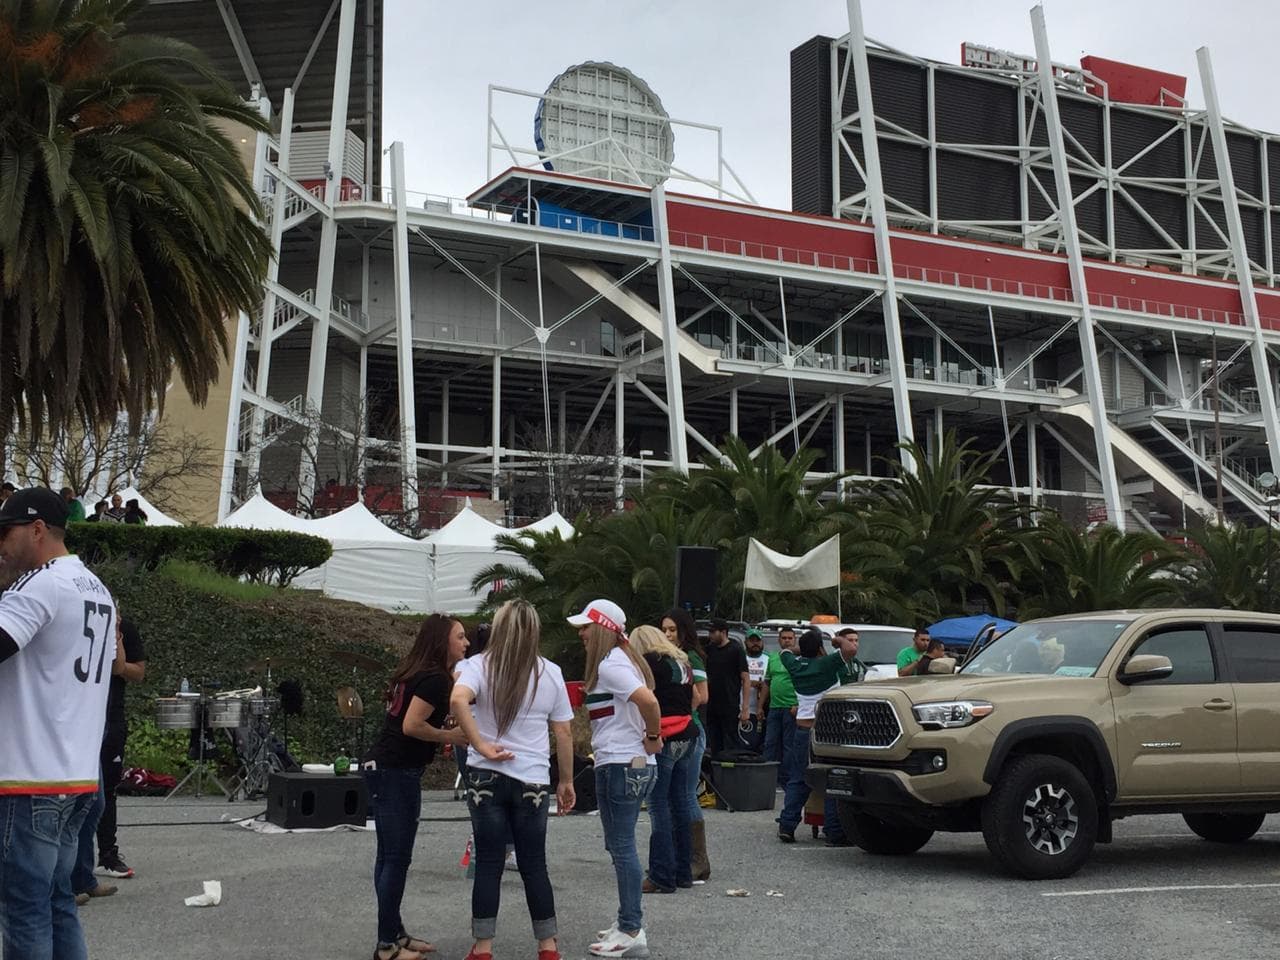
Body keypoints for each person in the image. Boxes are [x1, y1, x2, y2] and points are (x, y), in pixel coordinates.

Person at [0, 487, 115, 960]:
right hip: (79, 777)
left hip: (30, 779)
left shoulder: (40, 584)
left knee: (24, 911)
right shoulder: (97, 589)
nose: (1, 546)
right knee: (58, 901)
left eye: (5, 534)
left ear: (37, 530)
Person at [450, 600, 575, 960]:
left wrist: (480, 745)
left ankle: (483, 947)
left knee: (488, 862)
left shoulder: (479, 665)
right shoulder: (549, 672)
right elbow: (564, 732)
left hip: (485, 777)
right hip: (533, 779)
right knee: (534, 863)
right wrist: (565, 781)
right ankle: (548, 946)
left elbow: (459, 699)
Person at [361, 614, 470, 960]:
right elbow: (411, 725)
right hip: (396, 771)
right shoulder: (434, 678)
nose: (466, 643)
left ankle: (395, 932)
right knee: (396, 858)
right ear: (442, 642)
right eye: (460, 637)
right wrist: (448, 735)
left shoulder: (414, 672)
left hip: (383, 768)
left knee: (387, 857)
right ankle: (386, 946)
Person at [572, 599, 662, 959]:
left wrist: (653, 737)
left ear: (603, 629)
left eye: (585, 627)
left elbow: (649, 703)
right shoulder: (620, 662)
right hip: (624, 762)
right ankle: (627, 920)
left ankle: (631, 927)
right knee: (619, 845)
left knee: (622, 847)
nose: (581, 634)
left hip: (621, 763)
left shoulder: (612, 665)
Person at [71, 616, 146, 905]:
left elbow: (124, 668)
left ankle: (88, 873)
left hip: (107, 720)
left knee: (98, 802)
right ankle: (66, 882)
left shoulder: (122, 630)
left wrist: (116, 635)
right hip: (81, 723)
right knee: (77, 805)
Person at [776, 627, 865, 846]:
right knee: (833, 780)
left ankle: (787, 825)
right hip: (826, 732)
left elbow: (784, 652)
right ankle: (834, 832)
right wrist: (834, 639)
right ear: (819, 649)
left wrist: (805, 647)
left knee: (799, 778)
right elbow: (850, 648)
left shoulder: (794, 665)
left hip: (802, 731)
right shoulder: (828, 663)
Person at [629, 625, 696, 895]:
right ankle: (683, 872)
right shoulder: (683, 662)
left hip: (665, 735)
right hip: (688, 733)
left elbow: (645, 701)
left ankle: (661, 875)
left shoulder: (650, 664)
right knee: (680, 803)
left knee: (658, 807)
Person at [660, 608, 711, 883]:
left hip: (688, 730)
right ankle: (680, 859)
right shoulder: (671, 657)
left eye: (672, 629)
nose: (668, 634)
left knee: (685, 794)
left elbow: (702, 695)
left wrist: (681, 709)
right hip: (680, 730)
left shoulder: (689, 657)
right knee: (675, 796)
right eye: (664, 629)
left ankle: (697, 860)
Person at [702, 618, 749, 758]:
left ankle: (731, 776)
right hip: (712, 705)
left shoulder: (736, 650)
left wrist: (745, 708)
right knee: (714, 744)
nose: (710, 635)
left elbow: (745, 679)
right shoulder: (709, 650)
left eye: (713, 632)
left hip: (730, 704)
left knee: (731, 744)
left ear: (723, 632)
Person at [761, 627, 799, 788]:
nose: (787, 640)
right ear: (779, 640)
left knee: (788, 745)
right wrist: (760, 706)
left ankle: (786, 780)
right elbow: (767, 682)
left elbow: (803, 683)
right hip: (774, 706)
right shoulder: (773, 657)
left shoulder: (799, 659)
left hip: (791, 707)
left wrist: (798, 704)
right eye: (784, 638)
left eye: (790, 638)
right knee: (770, 742)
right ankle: (766, 778)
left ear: (795, 640)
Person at [742, 628, 769, 752]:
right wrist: (750, 683)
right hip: (743, 709)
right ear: (746, 642)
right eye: (751, 640)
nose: (755, 643)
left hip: (762, 710)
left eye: (758, 640)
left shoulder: (769, 658)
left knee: (760, 744)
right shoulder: (740, 658)